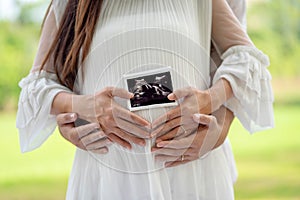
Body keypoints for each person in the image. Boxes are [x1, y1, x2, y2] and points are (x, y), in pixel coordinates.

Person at [16, 0, 274, 199]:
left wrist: (210, 100)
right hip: (110, 173)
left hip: (189, 170)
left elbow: (248, 59)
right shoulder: (71, 3)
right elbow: (37, 85)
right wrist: (82, 106)